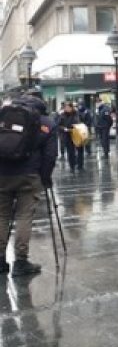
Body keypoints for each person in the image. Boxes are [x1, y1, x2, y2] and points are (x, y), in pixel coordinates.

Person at [0, 94, 57, 276]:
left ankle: (0, 260)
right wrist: (45, 178)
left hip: (2, 173)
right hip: (29, 175)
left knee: (1, 215)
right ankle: (21, 261)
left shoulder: (4, 116)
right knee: (24, 216)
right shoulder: (46, 122)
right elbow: (50, 155)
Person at [58, 102, 84, 173]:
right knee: (70, 152)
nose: (67, 109)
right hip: (67, 135)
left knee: (80, 150)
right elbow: (58, 125)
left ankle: (80, 166)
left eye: (68, 107)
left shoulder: (77, 114)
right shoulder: (62, 115)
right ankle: (72, 166)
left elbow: (83, 122)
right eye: (65, 108)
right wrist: (64, 129)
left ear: (72, 107)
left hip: (78, 134)